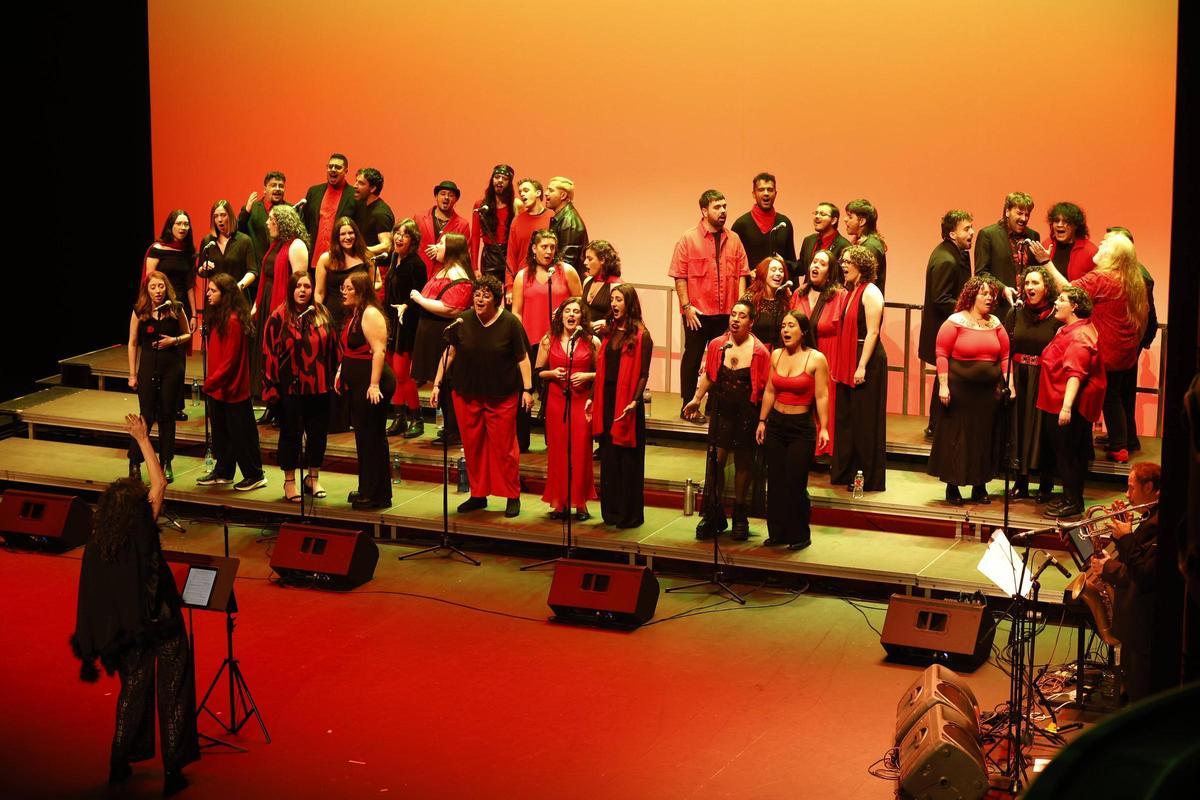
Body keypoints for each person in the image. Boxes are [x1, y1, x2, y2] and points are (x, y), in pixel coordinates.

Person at [71, 414, 199, 796]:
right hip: (160, 619)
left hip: (127, 627)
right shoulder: (142, 525)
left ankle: (119, 760)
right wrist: (144, 440)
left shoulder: (100, 542)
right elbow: (160, 483)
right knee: (173, 686)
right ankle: (174, 770)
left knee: (132, 689)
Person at [1037, 230, 1148, 463]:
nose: (1099, 245)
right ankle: (1120, 445)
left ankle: (1094, 448)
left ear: (1114, 255)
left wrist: (1046, 263)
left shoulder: (1101, 279)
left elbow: (1070, 292)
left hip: (1103, 351)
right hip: (1123, 352)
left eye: (1105, 243)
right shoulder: (1132, 278)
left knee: (1089, 399)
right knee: (1113, 397)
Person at [431, 275, 532, 518]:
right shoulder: (462, 321)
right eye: (477, 294)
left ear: (496, 300)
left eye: (486, 295)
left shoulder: (510, 323)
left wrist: (528, 390)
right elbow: (450, 353)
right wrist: (436, 384)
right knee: (473, 446)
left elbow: (523, 358)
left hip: (502, 395)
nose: (480, 298)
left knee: (505, 448)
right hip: (467, 394)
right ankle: (478, 494)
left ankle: (512, 495)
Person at [683, 299, 771, 540]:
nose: (735, 319)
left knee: (744, 463)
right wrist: (696, 398)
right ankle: (713, 513)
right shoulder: (717, 345)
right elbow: (710, 376)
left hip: (747, 413)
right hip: (722, 410)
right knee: (716, 462)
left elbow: (765, 390)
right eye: (733, 314)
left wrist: (762, 420)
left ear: (751, 322)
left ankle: (740, 514)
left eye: (742, 316)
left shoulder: (760, 352)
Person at [927, 275, 1010, 506]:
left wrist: (1008, 383)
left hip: (987, 395)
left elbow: (1004, 356)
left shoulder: (996, 323)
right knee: (957, 437)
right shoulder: (954, 321)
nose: (989, 297)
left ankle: (979, 486)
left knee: (982, 439)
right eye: (984, 293)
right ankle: (953, 486)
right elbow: (941, 354)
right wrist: (943, 385)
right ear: (972, 295)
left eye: (991, 294)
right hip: (959, 392)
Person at [668, 189, 750, 422]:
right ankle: (688, 405)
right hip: (697, 312)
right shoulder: (688, 238)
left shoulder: (734, 239)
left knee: (722, 361)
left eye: (725, 206)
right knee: (692, 358)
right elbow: (679, 275)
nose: (723, 211)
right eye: (717, 207)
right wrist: (686, 307)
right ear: (704, 211)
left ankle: (716, 406)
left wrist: (740, 309)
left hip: (726, 313)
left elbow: (742, 273)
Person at [1086, 461, 1161, 703]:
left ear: (1149, 487)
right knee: (1131, 687)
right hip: (1136, 628)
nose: (1127, 495)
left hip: (1144, 628)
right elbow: (1136, 558)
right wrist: (1123, 529)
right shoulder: (1150, 516)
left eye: (1131, 488)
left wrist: (1125, 539)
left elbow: (1143, 573)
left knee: (1140, 695)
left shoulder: (1160, 524)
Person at [756, 311, 830, 550]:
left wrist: (824, 428)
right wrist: (762, 421)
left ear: (803, 331)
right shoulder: (776, 355)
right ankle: (777, 533)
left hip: (801, 429)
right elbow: (769, 390)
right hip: (776, 425)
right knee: (775, 481)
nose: (785, 330)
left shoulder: (816, 359)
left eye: (791, 326)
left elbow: (822, 396)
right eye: (784, 326)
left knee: (795, 482)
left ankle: (799, 534)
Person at [262, 271, 337, 502]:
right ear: (291, 289)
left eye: (307, 286)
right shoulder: (279, 316)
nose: (303, 290)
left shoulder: (321, 313)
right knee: (290, 435)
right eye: (298, 286)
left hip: (319, 385)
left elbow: (334, 348)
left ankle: (312, 478)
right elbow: (268, 353)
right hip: (290, 387)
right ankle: (289, 482)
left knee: (317, 434)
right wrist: (271, 387)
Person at [1036, 285, 1106, 518]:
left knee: (1068, 455)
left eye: (1061, 299)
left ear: (1074, 306)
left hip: (1065, 405)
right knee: (1067, 455)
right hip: (1056, 399)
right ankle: (1070, 497)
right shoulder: (1069, 329)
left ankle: (1072, 501)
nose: (1055, 302)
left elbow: (1075, 374)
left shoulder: (1079, 335)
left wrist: (1066, 408)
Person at [589, 283, 653, 528]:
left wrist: (635, 402)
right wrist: (592, 398)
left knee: (628, 461)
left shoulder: (641, 335)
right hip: (607, 399)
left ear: (629, 304)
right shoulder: (610, 331)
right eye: (612, 300)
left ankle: (629, 514)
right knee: (610, 458)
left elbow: (644, 374)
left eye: (619, 300)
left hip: (627, 404)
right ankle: (612, 512)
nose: (614, 304)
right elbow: (601, 369)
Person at [512, 230, 583, 451]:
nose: (549, 251)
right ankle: (521, 441)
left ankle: (555, 440)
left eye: (552, 247)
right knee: (524, 391)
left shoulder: (566, 271)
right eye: (544, 246)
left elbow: (580, 303)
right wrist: (518, 343)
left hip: (559, 342)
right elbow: (517, 312)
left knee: (555, 394)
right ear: (534, 248)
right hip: (530, 342)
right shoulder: (523, 276)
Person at [198, 273, 266, 491]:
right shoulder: (219, 317)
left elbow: (230, 360)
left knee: (241, 435)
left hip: (232, 388)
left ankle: (255, 474)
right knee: (222, 434)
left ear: (225, 294)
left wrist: (210, 382)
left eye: (212, 290)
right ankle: (224, 471)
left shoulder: (234, 321)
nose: (207, 294)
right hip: (218, 388)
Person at [336, 271, 396, 511]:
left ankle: (377, 494)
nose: (344, 292)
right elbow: (351, 350)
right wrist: (341, 371)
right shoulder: (356, 313)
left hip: (373, 385)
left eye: (348, 288)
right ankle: (367, 488)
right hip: (359, 384)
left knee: (372, 438)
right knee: (364, 438)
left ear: (360, 290)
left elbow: (379, 350)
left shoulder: (370, 313)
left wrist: (373, 384)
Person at [536, 297, 599, 520]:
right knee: (558, 452)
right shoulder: (548, 340)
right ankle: (560, 503)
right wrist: (552, 374)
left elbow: (603, 373)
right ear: (560, 316)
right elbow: (538, 371)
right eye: (567, 311)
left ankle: (581, 504)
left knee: (580, 451)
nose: (571, 315)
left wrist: (587, 375)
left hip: (581, 402)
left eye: (576, 312)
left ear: (582, 317)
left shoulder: (592, 342)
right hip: (556, 402)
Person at [831, 245, 887, 492]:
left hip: (867, 359)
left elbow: (873, 331)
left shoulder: (871, 292)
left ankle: (866, 476)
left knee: (865, 421)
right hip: (849, 357)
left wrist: (861, 365)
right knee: (847, 419)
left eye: (848, 262)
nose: (843, 265)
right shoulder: (850, 291)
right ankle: (846, 471)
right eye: (842, 261)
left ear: (862, 266)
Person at [126, 271, 191, 483]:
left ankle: (166, 462)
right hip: (147, 368)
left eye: (161, 287)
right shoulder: (140, 311)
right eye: (153, 287)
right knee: (146, 416)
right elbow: (133, 342)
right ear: (147, 289)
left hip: (172, 368)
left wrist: (173, 341)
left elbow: (188, 333)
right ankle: (135, 462)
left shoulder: (176, 308)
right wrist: (132, 375)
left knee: (167, 416)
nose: (158, 291)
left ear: (166, 287)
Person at [409, 233, 474, 444]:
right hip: (432, 333)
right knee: (443, 385)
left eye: (442, 243)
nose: (436, 246)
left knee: (448, 384)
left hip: (443, 335)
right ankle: (449, 428)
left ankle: (454, 431)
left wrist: (420, 299)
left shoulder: (458, 275)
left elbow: (451, 308)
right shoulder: (444, 270)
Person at [1008, 265, 1063, 502]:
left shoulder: (1056, 317)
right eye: (1027, 283)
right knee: (1019, 430)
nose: (1030, 288)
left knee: (1043, 431)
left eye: (1036, 283)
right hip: (1019, 378)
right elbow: (1006, 349)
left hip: (1045, 378)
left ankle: (1045, 484)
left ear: (1047, 287)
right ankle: (1020, 482)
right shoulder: (1015, 313)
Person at [918, 210, 975, 439]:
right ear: (952, 233)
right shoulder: (946, 259)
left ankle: (938, 424)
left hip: (950, 331)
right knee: (946, 377)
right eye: (966, 229)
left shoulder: (958, 254)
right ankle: (936, 424)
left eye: (971, 227)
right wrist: (969, 311)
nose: (972, 232)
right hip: (946, 331)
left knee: (947, 376)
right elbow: (940, 298)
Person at [252, 204, 310, 423]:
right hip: (267, 303)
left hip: (283, 308)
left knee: (282, 359)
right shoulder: (275, 244)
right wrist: (256, 307)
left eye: (271, 220)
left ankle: (284, 410)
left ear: (283, 222)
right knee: (268, 357)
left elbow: (299, 284)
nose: (267, 223)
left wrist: (289, 312)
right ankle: (272, 405)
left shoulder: (296, 246)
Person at [315, 217, 372, 434]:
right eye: (342, 234)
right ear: (336, 238)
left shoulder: (365, 258)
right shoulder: (326, 259)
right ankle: (335, 420)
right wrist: (316, 318)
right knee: (332, 368)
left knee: (353, 367)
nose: (347, 237)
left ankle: (354, 418)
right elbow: (319, 293)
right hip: (331, 318)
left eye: (351, 233)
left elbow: (372, 287)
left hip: (356, 319)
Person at [1104, 226, 1158, 453]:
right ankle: (1126, 439)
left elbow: (1145, 313)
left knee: (1117, 394)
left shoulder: (1136, 275)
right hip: (1131, 341)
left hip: (1127, 341)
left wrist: (1139, 341)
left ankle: (1123, 441)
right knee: (1121, 393)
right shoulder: (1134, 272)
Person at [791, 249, 846, 460]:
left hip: (828, 357)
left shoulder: (839, 296)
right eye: (814, 262)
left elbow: (843, 333)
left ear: (830, 271)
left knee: (825, 402)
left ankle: (823, 450)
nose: (815, 266)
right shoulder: (799, 294)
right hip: (802, 357)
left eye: (822, 264)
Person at [382, 218, 427, 437]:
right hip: (392, 319)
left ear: (413, 240)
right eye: (397, 233)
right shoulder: (394, 258)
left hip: (407, 322)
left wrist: (405, 306)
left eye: (405, 234)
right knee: (393, 370)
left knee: (402, 373)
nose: (399, 237)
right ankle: (399, 417)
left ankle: (417, 418)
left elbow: (418, 296)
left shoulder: (416, 264)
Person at [974, 191, 1041, 316]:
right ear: (1007, 212)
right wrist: (1003, 289)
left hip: (1028, 310)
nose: (1024, 218)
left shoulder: (1033, 236)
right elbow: (981, 273)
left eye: (1027, 214)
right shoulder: (988, 235)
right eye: (1020, 213)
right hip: (999, 309)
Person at [730, 172, 797, 272]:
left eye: (770, 190)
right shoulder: (741, 225)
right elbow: (733, 265)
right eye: (761, 190)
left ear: (775, 193)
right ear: (754, 194)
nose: (766, 193)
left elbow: (792, 261)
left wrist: (793, 287)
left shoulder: (784, 223)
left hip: (780, 286)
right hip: (751, 286)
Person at [144, 210, 197, 334]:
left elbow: (190, 285)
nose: (183, 227)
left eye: (186, 224)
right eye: (178, 223)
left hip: (181, 306)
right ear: (170, 226)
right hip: (162, 305)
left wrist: (194, 315)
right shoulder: (157, 249)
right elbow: (148, 281)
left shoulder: (188, 252)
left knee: (180, 348)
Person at [301, 152, 358, 268]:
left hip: (341, 260)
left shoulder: (354, 195)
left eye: (338, 167)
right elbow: (305, 223)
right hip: (313, 259)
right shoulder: (314, 192)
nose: (333, 170)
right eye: (330, 166)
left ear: (346, 171)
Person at [198, 199, 257, 301]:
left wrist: (239, 287)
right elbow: (200, 271)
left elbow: (252, 271)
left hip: (238, 297)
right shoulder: (207, 241)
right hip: (214, 299)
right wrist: (204, 268)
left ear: (230, 216)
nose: (219, 219)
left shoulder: (244, 240)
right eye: (216, 216)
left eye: (223, 215)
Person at [505, 178, 552, 302]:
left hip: (547, 281)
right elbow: (511, 256)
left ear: (538, 193)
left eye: (526, 190)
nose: (522, 194)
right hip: (523, 280)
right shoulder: (517, 221)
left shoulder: (552, 217)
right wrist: (509, 287)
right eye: (520, 192)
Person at [470, 164, 516, 284]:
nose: (500, 181)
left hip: (509, 255)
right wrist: (474, 267)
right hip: (489, 256)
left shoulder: (515, 206)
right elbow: (475, 237)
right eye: (497, 177)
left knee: (510, 296)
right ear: (492, 180)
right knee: (489, 295)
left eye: (504, 179)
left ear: (509, 183)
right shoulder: (480, 205)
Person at [1033, 201, 1098, 282]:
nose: (1060, 225)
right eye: (1056, 221)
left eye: (1065, 221)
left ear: (1076, 225)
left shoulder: (1090, 251)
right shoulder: (1047, 244)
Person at [417, 180, 472, 276]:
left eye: (451, 195)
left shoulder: (463, 225)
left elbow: (462, 256)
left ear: (456, 200)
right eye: (442, 194)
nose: (446, 197)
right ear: (436, 196)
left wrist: (443, 252)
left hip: (444, 277)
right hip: (418, 273)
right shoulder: (419, 218)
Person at [238, 170, 287, 271]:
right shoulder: (252, 209)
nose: (278, 189)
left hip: (282, 271)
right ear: (265, 189)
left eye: (281, 186)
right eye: (273, 185)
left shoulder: (291, 210)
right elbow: (239, 234)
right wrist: (246, 212)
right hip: (257, 273)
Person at [797, 202, 850, 283]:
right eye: (816, 213)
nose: (817, 217)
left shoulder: (844, 246)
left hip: (831, 293)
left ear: (833, 220)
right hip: (808, 292)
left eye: (822, 214)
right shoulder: (808, 240)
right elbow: (802, 267)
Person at [842, 199, 887, 294]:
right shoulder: (861, 242)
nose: (845, 219)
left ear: (862, 221)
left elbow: (864, 279)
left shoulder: (870, 246)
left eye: (850, 217)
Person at [745, 256, 791, 348]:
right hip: (754, 351)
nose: (778, 274)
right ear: (763, 272)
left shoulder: (785, 301)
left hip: (777, 354)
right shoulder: (750, 299)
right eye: (773, 270)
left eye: (781, 271)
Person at [545, 176, 588, 269]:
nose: (546, 193)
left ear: (563, 195)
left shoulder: (569, 221)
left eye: (551, 190)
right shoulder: (564, 218)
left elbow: (566, 260)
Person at [351, 167, 394, 259]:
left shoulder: (381, 213)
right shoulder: (361, 205)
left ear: (373, 188)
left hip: (376, 268)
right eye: (356, 181)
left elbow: (387, 246)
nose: (355, 185)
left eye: (361, 183)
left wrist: (359, 251)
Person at [580, 240, 622, 332]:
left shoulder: (616, 286)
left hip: (605, 339)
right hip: (586, 337)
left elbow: (624, 319)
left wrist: (609, 324)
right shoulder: (587, 281)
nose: (585, 262)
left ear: (602, 259)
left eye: (590, 259)